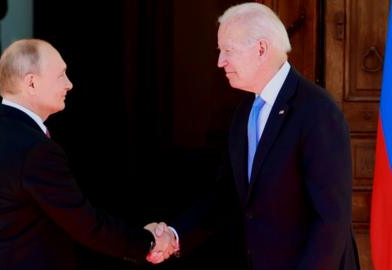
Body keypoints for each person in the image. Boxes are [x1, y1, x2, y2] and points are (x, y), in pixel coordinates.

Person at [150, 3, 360, 269]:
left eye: (228, 51)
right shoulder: (245, 111)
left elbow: (331, 223)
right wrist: (175, 234)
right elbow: (227, 193)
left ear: (261, 49)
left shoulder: (317, 112)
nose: (220, 62)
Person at [0, 38, 176, 270]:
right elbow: (84, 224)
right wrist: (147, 241)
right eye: (61, 75)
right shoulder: (34, 148)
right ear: (32, 83)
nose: (69, 84)